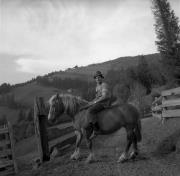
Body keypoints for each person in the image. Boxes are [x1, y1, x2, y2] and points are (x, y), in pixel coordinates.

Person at [87, 71, 111, 139]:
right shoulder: (97, 87)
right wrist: (90, 102)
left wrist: (95, 102)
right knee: (88, 108)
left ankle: (97, 130)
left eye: (99, 77)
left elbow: (104, 96)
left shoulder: (104, 85)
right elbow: (97, 97)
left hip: (104, 103)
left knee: (90, 111)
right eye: (96, 78)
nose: (97, 79)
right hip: (99, 102)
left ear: (101, 78)